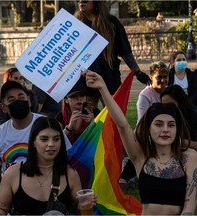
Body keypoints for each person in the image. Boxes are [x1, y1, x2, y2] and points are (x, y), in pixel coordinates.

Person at [83, 69, 197, 215]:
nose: (165, 129)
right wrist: (102, 88)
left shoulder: (188, 157)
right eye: (159, 124)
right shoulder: (141, 156)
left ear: (177, 129)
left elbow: (189, 208)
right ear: (149, 129)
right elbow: (122, 124)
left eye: (171, 125)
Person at [0, 81, 72, 214]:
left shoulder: (47, 124)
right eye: (12, 99)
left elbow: (68, 157)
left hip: (46, 186)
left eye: (21, 97)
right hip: (11, 188)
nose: (18, 101)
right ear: (4, 107)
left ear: (29, 101)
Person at [0, 117, 91, 215]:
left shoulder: (70, 173)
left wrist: (84, 204)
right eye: (44, 139)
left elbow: (79, 210)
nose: (51, 144)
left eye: (56, 139)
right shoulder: (13, 173)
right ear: (33, 141)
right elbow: (0, 208)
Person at [75, 0, 150, 100]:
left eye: (84, 0)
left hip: (109, 75)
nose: (81, 2)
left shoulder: (112, 23)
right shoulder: (74, 23)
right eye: (78, 0)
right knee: (87, 114)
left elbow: (125, 51)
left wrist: (138, 72)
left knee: (113, 113)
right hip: (84, 77)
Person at [55, 79, 94, 144]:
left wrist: (93, 123)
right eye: (73, 96)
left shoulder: (94, 112)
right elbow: (56, 140)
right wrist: (69, 127)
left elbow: (104, 135)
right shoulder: (60, 116)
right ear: (66, 100)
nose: (79, 99)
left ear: (86, 97)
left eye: (82, 95)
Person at [161, 84, 197, 150]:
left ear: (181, 102)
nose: (167, 109)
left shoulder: (193, 117)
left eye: (171, 105)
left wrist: (179, 141)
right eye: (164, 106)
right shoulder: (163, 117)